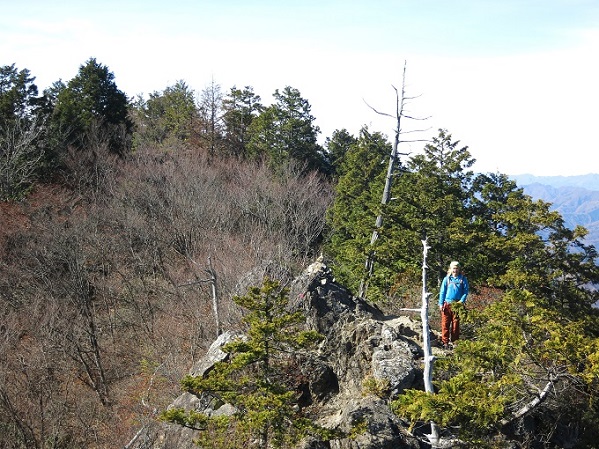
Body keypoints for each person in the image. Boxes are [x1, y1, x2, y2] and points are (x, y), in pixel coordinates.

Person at [439, 261, 469, 349]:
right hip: (447, 304)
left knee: (456, 325)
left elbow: (465, 292)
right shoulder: (447, 279)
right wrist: (441, 303)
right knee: (445, 324)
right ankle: (445, 342)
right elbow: (442, 292)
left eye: (456, 268)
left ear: (459, 269)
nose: (455, 270)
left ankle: (455, 343)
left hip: (457, 305)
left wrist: (461, 301)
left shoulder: (463, 279)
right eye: (453, 268)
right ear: (450, 269)